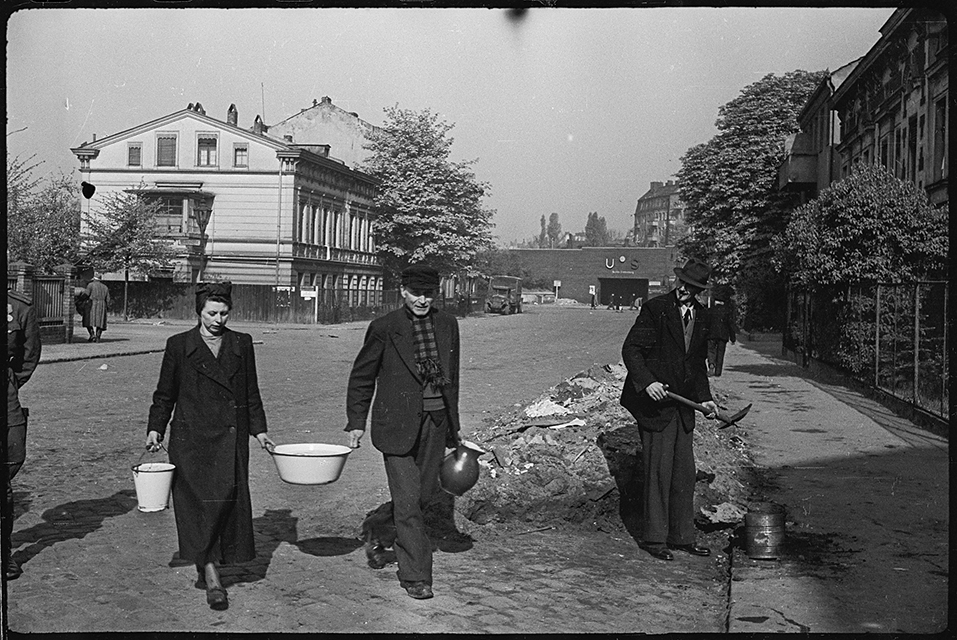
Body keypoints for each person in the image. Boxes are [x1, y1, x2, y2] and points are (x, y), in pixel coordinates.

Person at [146, 282, 275, 611]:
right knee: (198, 507)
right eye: (212, 313)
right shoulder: (179, 345)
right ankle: (211, 574)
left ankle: (212, 562)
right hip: (191, 441)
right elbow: (165, 393)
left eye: (224, 312)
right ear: (199, 312)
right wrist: (155, 429)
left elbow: (250, 393)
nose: (219, 319)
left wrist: (259, 431)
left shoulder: (241, 344)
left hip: (229, 438)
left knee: (225, 503)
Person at [346, 264, 462, 600]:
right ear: (403, 291)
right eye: (416, 293)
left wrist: (454, 429)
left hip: (436, 423)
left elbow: (451, 377)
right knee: (410, 502)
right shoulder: (384, 328)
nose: (422, 300)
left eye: (428, 293)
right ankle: (416, 575)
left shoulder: (447, 325)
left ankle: (384, 526)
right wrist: (356, 422)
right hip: (395, 425)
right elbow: (362, 377)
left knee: (422, 498)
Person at [619, 257, 718, 562]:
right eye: (684, 283)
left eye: (694, 287)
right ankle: (655, 538)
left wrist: (706, 399)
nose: (686, 290)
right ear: (678, 282)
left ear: (700, 290)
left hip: (684, 406)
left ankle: (682, 537)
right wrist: (647, 382)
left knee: (684, 473)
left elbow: (697, 365)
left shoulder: (702, 317)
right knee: (659, 472)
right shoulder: (656, 310)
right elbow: (632, 350)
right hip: (656, 404)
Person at [5, 288, 41, 580]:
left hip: (5, 395)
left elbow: (29, 354)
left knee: (14, 457)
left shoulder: (19, 307)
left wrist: (11, 383)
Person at [707, 290, 738, 377]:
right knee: (720, 352)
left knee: (710, 350)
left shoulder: (710, 311)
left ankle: (711, 363)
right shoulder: (727, 311)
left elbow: (706, 323)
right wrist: (733, 338)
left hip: (711, 334)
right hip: (723, 335)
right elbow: (730, 324)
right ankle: (718, 371)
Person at [84, 274, 110, 342]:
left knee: (88, 320)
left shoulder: (90, 285)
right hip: (102, 305)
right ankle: (98, 337)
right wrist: (107, 307)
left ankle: (92, 334)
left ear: (94, 279)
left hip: (92, 304)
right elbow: (108, 299)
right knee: (100, 322)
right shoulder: (105, 287)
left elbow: (86, 294)